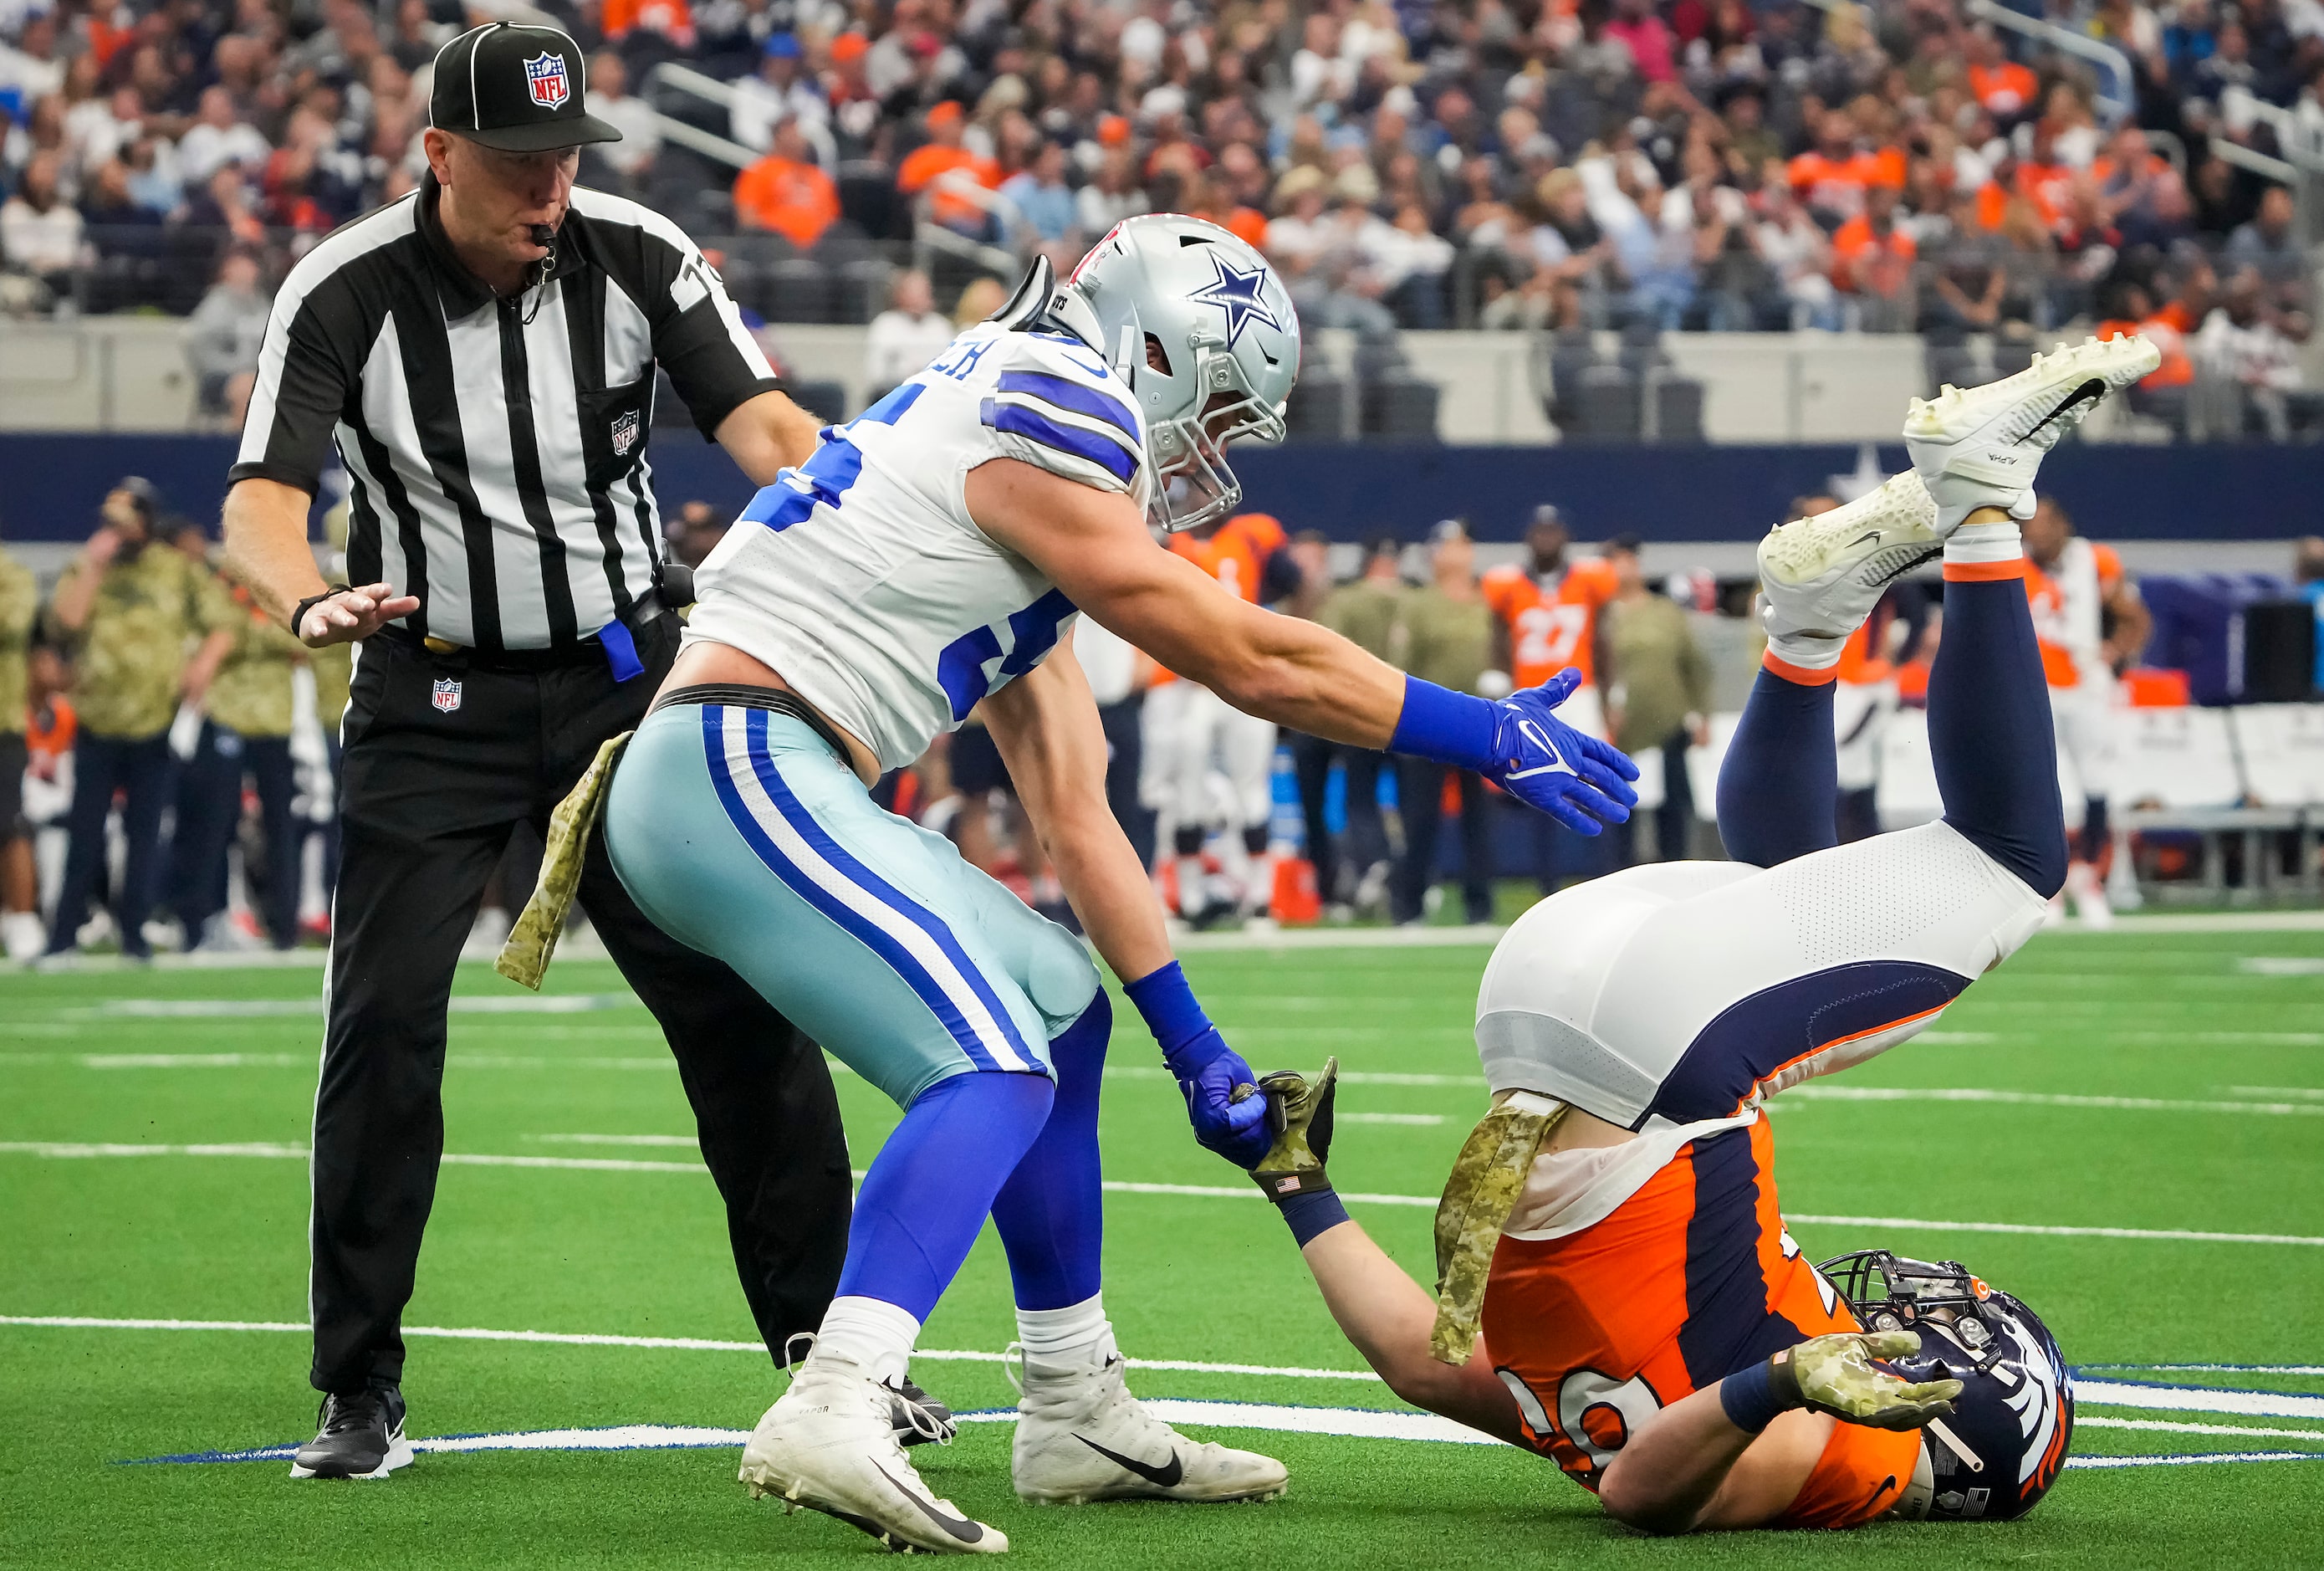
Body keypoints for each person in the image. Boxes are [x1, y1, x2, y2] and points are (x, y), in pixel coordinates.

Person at [560, 220, 1637, 1553]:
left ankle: (1072, 1402)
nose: (1219, 449)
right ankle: (837, 1392)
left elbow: (1077, 815)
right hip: (735, 759)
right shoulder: (1055, 401)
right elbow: (1253, 660)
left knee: (1059, 1007)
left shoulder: (999, 454)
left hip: (751, 767)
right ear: (1153, 348)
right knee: (990, 1063)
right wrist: (1480, 732)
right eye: (1223, 405)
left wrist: (1195, 1053)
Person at [1234, 336, 2158, 1537]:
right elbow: (1424, 1361)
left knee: (2011, 860)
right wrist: (1298, 1185)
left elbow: (1644, 1491)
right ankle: (1811, 627)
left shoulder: (1849, 1460)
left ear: (1961, 1414)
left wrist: (1777, 1380)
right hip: (1548, 1022)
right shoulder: (1597, 1408)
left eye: (1952, 1332)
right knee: (1797, 895)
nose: (1915, 1308)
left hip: (1653, 1044)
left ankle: (1983, 504)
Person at [217, 23, 856, 1481]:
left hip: (628, 691)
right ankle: (358, 1386)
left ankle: (831, 1361)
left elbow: (759, 418)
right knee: (381, 1027)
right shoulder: (342, 289)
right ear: (437, 153)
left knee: (745, 1013)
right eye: (516, 162)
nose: (547, 189)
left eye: (565, 159)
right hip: (425, 698)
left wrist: (862, 491)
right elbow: (258, 495)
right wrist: (304, 590)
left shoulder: (637, 252)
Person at [41, 478, 236, 964]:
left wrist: (202, 666)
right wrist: (93, 567)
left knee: (145, 834)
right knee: (84, 833)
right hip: (97, 718)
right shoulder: (89, 566)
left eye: (127, 524)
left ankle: (135, 937)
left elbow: (224, 624)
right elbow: (64, 622)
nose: (118, 532)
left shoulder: (175, 570)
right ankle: (62, 937)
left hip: (155, 719)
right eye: (112, 524)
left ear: (147, 524)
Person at [1151, 509, 1297, 925]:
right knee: (1186, 794)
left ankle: (1260, 895)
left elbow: (1298, 582)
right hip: (1190, 685)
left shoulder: (1252, 535)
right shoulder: (1167, 542)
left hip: (1243, 679)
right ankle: (1190, 897)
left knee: (1252, 789)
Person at [166, 562, 306, 950]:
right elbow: (203, 640)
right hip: (224, 716)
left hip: (274, 720)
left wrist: (237, 633)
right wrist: (257, 625)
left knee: (280, 825)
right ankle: (200, 924)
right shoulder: (212, 583)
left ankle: (284, 930)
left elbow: (303, 639)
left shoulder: (285, 579)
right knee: (212, 826)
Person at [2023, 495, 2148, 927]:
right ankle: (2048, 885)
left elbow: (2134, 619)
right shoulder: (2014, 567)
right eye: (2029, 525)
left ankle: (2088, 875)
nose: (2034, 533)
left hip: (2085, 686)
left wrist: (2113, 654)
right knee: (2040, 785)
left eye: (2042, 524)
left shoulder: (2094, 561)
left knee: (2096, 783)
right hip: (2036, 689)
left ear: (2063, 525)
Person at [1484, 507, 1619, 890]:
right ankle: (1548, 886)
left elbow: (1602, 642)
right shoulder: (1507, 585)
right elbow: (1499, 639)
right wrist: (1498, 691)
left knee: (1597, 784)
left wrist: (1612, 696)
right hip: (1531, 701)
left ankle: (1604, 879)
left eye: (1552, 531)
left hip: (1582, 696)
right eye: (1539, 531)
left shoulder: (1591, 581)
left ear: (1565, 536)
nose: (1546, 539)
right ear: (1529, 537)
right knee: (1538, 788)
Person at [1390, 520, 1497, 925]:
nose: (1459, 553)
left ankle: (1479, 904)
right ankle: (1409, 904)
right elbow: (1402, 665)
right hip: (1431, 722)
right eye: (1450, 546)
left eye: (1463, 544)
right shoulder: (1420, 605)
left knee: (1478, 817)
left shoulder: (1484, 600)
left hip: (1482, 721)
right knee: (1421, 817)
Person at [1297, 535, 1401, 915]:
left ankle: (1371, 870)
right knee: (1321, 804)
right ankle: (1332, 886)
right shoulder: (1293, 596)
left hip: (1347, 707)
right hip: (1305, 714)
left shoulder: (1348, 601)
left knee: (1358, 798)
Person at [1599, 534, 1711, 864]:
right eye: (1614, 561)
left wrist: (1701, 714)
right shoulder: (1600, 616)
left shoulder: (1665, 612)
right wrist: (1602, 710)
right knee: (1622, 808)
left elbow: (1694, 665)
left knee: (1673, 807)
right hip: (1622, 732)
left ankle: (1675, 871)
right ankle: (1621, 875)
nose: (1622, 569)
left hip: (1669, 723)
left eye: (1628, 560)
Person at [0, 524, 38, 960]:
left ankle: (24, 920)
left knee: (9, 822)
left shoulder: (13, 576)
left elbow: (11, 622)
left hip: (3, 723)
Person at [186, 248, 272, 426]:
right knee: (247, 388)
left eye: (249, 266)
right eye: (239, 266)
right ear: (227, 271)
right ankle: (242, 449)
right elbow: (203, 353)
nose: (246, 271)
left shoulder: (263, 304)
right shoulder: (214, 306)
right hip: (219, 377)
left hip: (258, 373)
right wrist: (239, 369)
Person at [733, 115, 840, 251]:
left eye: (798, 132)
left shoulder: (820, 177)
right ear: (777, 137)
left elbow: (832, 223)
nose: (798, 138)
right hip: (773, 251)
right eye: (791, 132)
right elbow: (748, 220)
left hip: (817, 255)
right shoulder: (758, 171)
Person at [864, 269, 957, 392]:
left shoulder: (940, 324)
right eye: (916, 292)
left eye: (925, 292)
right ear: (900, 295)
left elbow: (953, 365)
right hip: (896, 392)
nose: (923, 298)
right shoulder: (886, 324)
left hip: (935, 391)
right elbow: (877, 373)